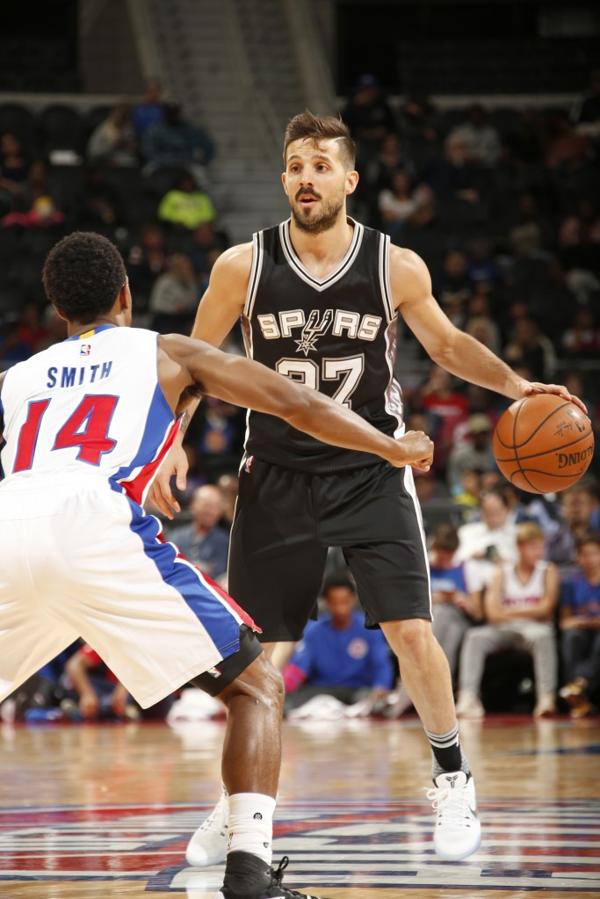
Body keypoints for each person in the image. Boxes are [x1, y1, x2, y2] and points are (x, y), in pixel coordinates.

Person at [151, 111, 583, 867]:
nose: (305, 177)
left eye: (320, 165)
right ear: (284, 178)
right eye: (294, 165)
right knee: (262, 656)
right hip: (276, 473)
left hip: (370, 472)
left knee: (411, 630)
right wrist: (170, 447)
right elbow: (197, 362)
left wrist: (518, 386)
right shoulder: (240, 266)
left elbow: (446, 345)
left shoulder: (394, 264)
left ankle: (453, 777)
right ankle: (237, 803)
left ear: (350, 179)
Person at [0, 230, 435, 899]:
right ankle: (250, 873)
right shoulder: (166, 351)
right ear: (126, 294)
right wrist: (387, 446)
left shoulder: (17, 377)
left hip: (9, 522)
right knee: (257, 686)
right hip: (94, 521)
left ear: (58, 312)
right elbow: (293, 401)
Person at [456, 523, 559, 719]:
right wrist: (530, 610)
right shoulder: (501, 571)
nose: (539, 551)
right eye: (534, 546)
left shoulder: (548, 570)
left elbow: (546, 609)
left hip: (535, 629)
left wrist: (509, 610)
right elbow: (492, 614)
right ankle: (468, 697)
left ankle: (546, 698)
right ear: (520, 547)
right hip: (503, 629)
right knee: (475, 636)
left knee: (543, 636)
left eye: (541, 546)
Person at [283, 578, 394, 708]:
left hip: (358, 690)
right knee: (288, 704)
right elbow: (298, 667)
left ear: (354, 599)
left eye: (345, 602)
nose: (341, 609)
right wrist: (282, 688)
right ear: (326, 602)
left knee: (376, 704)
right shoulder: (312, 631)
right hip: (321, 691)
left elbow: (381, 664)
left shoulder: (369, 629)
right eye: (335, 603)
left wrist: (381, 687)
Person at [559, 534, 600, 718]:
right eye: (585, 554)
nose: (589, 559)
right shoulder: (571, 583)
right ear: (578, 557)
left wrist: (583, 621)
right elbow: (565, 621)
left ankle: (579, 685)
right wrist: (586, 622)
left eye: (594, 554)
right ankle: (576, 690)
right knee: (572, 636)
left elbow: (575, 620)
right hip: (581, 631)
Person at [168, 484, 230, 580]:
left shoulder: (224, 541)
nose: (211, 511)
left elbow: (220, 569)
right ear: (193, 505)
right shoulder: (176, 536)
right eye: (206, 505)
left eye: (216, 507)